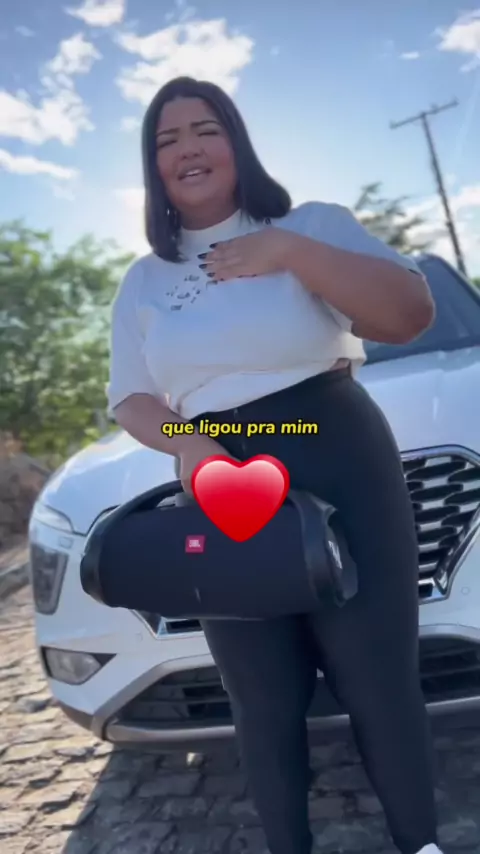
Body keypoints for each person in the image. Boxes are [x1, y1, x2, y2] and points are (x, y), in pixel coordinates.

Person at [107, 75, 442, 854]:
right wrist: (189, 443)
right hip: (222, 484)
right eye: (167, 139)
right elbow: (130, 398)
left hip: (336, 451)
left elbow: (409, 313)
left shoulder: (310, 224)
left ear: (236, 141)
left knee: (379, 677)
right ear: (153, 166)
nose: (188, 148)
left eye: (206, 128)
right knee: (259, 694)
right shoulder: (145, 280)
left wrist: (287, 251)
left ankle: (421, 844)